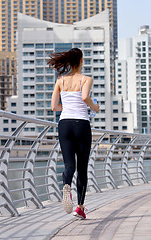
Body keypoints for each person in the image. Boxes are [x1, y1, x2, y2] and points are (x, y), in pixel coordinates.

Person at [48, 48, 99, 219]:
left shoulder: (60, 80)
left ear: (69, 62)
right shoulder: (86, 79)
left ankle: (66, 184)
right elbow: (84, 97)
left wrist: (67, 107)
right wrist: (94, 106)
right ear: (81, 61)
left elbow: (54, 107)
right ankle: (80, 208)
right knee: (82, 168)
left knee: (70, 166)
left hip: (64, 124)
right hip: (81, 125)